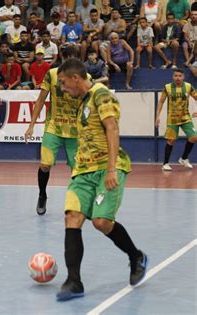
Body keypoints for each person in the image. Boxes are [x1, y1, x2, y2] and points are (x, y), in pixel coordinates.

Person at [55, 58, 147, 301]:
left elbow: (112, 128)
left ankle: (135, 256)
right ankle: (74, 281)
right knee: (72, 217)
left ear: (76, 78)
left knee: (101, 222)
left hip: (107, 166)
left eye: (64, 83)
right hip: (83, 170)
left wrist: (111, 170)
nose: (63, 89)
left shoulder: (101, 94)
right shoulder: (82, 100)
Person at [24, 46, 80, 215]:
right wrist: (31, 125)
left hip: (75, 131)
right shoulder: (52, 74)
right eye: (66, 57)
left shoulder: (85, 78)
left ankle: (76, 201)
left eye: (72, 57)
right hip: (53, 126)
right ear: (62, 57)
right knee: (45, 164)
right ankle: (42, 195)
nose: (69, 60)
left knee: (77, 170)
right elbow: (41, 100)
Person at [155, 69, 197, 171]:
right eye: (176, 76)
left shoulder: (188, 86)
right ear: (173, 77)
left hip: (185, 117)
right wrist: (157, 116)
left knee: (194, 137)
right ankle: (165, 164)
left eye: (180, 76)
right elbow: (161, 102)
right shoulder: (167, 87)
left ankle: (184, 158)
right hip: (172, 119)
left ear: (183, 77)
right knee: (171, 140)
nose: (178, 78)